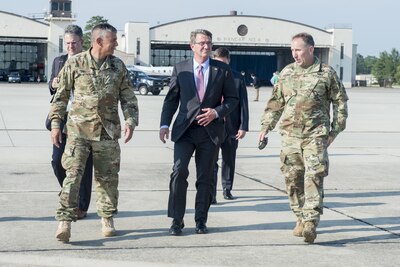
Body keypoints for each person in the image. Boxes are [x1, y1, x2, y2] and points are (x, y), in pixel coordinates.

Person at [49, 23, 139, 243]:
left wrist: (130, 120)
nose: (116, 44)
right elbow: (60, 97)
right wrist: (55, 124)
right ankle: (65, 222)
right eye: (113, 40)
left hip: (107, 132)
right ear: (99, 41)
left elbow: (128, 97)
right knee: (72, 177)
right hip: (78, 131)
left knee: (107, 178)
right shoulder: (74, 63)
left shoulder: (118, 66)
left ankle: (107, 218)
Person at [258, 32, 348, 244]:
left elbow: (340, 102)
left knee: (314, 177)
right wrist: (266, 127)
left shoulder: (326, 73)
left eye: (298, 50)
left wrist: (335, 131)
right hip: (290, 136)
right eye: (292, 50)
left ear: (310, 49)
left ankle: (310, 223)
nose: (294, 54)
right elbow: (275, 102)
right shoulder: (287, 72)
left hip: (315, 135)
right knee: (292, 180)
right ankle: (299, 217)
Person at [159, 29, 238, 235]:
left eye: (209, 43)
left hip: (209, 132)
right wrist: (164, 124)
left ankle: (200, 220)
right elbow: (171, 99)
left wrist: (216, 112)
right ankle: (176, 220)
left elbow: (232, 100)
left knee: (205, 178)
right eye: (202, 43)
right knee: (179, 172)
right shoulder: (180, 68)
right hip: (185, 131)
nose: (206, 46)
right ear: (191, 46)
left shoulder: (222, 70)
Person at [48, 24, 92, 220]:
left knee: (83, 163)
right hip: (63, 117)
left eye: (74, 43)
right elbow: (50, 87)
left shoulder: (90, 61)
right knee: (57, 161)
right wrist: (54, 84)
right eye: (67, 43)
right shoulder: (59, 61)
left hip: (84, 119)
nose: (70, 47)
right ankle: (69, 194)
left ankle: (81, 206)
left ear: (82, 42)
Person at [212, 47, 249, 203]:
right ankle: (210, 192)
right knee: (210, 161)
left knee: (229, 159)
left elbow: (243, 104)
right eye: (218, 62)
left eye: (224, 62)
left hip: (231, 126)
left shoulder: (238, 79)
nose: (221, 66)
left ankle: (227, 189)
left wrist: (243, 126)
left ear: (229, 60)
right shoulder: (209, 76)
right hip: (212, 126)